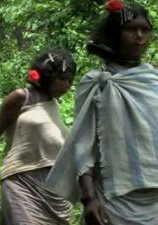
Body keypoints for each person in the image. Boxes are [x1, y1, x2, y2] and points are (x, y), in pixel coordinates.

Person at [46, 2, 158, 225]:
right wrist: (88, 198)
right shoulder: (96, 82)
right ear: (115, 33)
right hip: (113, 200)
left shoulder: (153, 80)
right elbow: (83, 144)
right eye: (131, 29)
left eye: (145, 30)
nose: (139, 36)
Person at [0, 49, 77, 225]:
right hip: (22, 182)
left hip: (53, 191)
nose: (68, 86)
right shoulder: (21, 98)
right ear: (49, 77)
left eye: (70, 81)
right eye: (64, 80)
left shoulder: (53, 105)